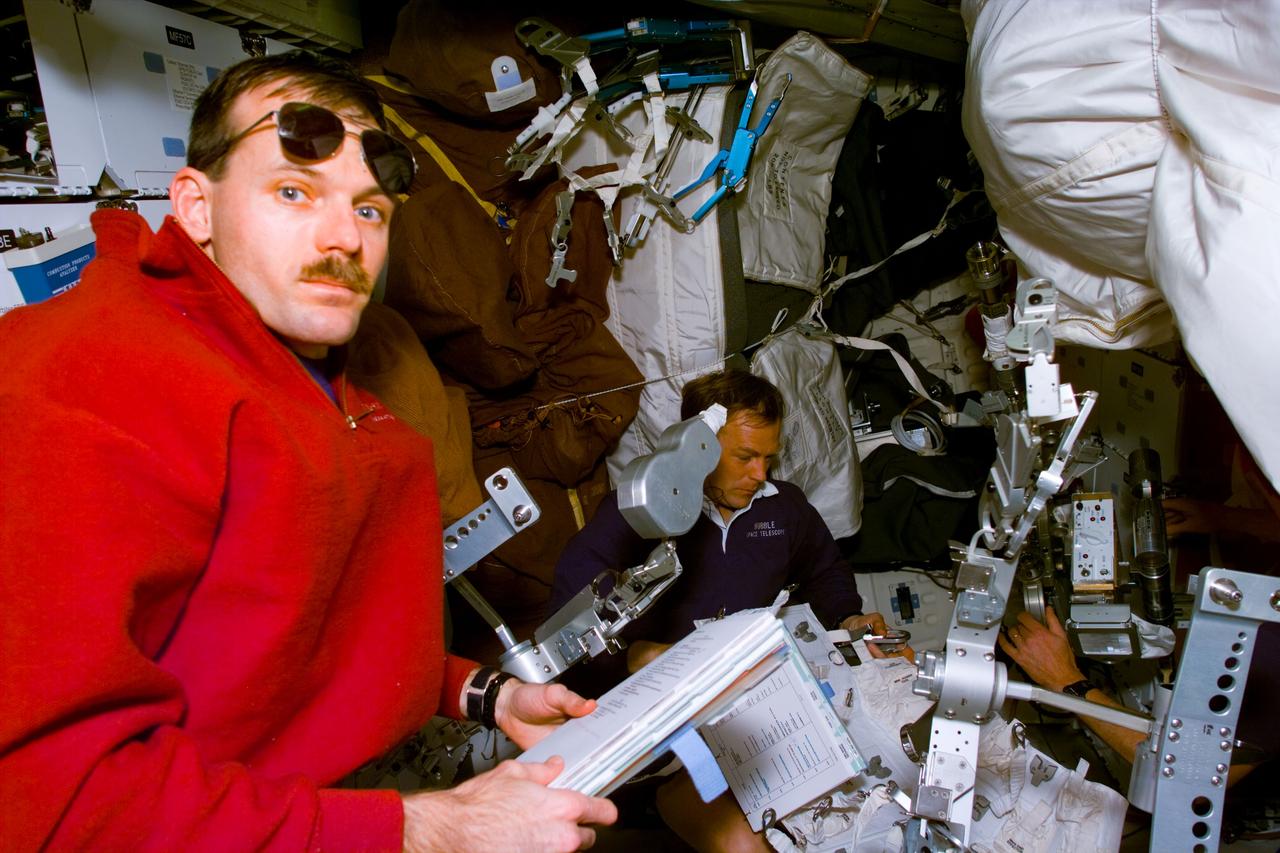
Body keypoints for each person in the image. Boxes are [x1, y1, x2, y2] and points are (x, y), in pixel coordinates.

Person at [0, 51, 615, 852]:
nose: (343, 238)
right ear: (196, 206)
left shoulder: (316, 358)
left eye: (369, 209)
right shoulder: (86, 377)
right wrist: (428, 827)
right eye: (294, 192)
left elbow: (287, 636)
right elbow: (53, 801)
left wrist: (481, 692)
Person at [549, 368, 900, 851]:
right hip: (675, 726)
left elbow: (826, 570)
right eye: (745, 457)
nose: (760, 474)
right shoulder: (641, 513)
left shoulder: (785, 509)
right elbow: (571, 608)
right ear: (700, 450)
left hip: (757, 701)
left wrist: (848, 618)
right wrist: (633, 656)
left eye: (769, 458)